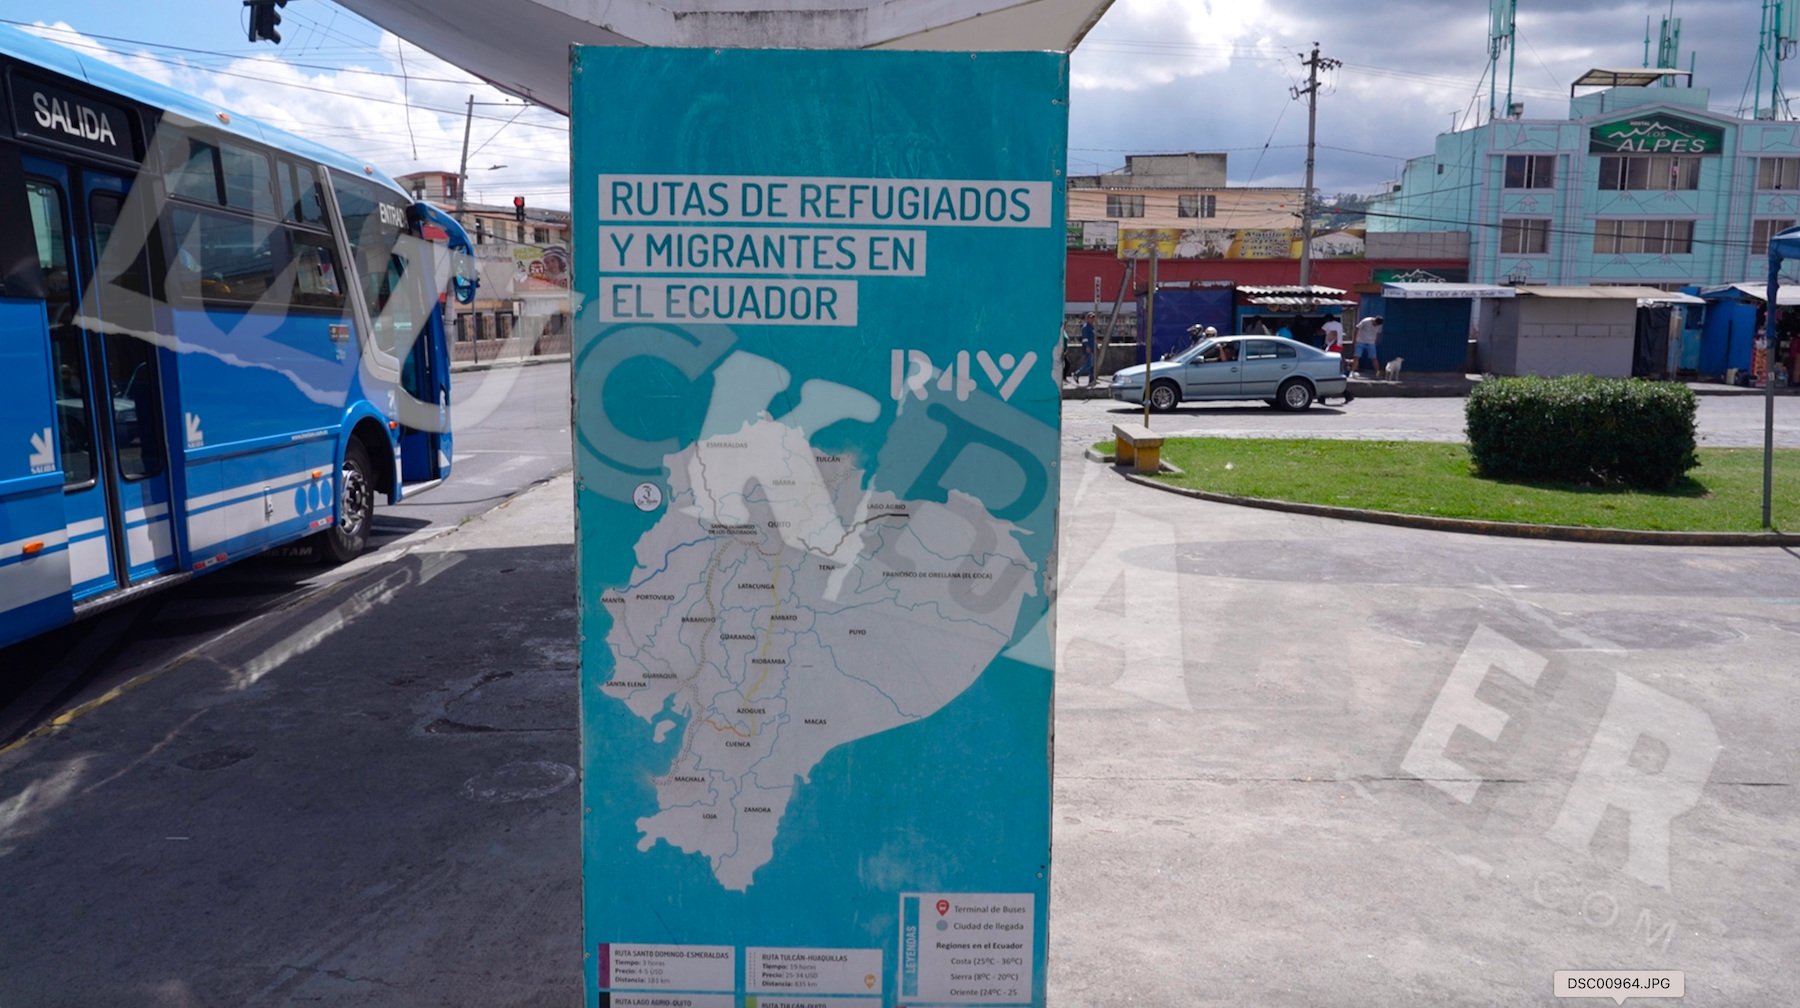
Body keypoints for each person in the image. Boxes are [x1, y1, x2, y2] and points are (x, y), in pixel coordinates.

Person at [1070, 312, 1097, 386]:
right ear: (1087, 318)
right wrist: (1087, 347)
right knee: (1089, 364)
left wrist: (1096, 346)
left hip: (1092, 348)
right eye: (1091, 318)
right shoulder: (1085, 327)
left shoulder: (1092, 327)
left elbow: (1093, 338)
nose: (1092, 319)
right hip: (1088, 348)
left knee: (1092, 365)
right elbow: (1085, 339)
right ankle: (1077, 373)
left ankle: (1091, 380)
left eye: (1093, 318)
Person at [1353, 314, 1382, 378]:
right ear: (1374, 320)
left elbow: (1378, 333)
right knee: (1356, 357)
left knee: (1374, 358)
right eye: (1375, 324)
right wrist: (1355, 340)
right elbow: (1357, 328)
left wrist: (1375, 341)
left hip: (1371, 342)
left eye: (1377, 325)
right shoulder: (1366, 321)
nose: (1375, 326)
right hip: (1361, 341)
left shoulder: (1379, 325)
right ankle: (1353, 372)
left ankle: (1377, 372)